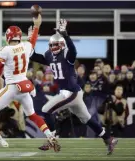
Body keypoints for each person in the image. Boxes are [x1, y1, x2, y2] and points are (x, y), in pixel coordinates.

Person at [29, 19, 118, 155]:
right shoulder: (48, 55)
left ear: (63, 45)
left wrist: (65, 34)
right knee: (86, 118)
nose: (53, 47)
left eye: (56, 44)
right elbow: (33, 55)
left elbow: (74, 51)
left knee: (46, 110)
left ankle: (52, 139)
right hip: (71, 93)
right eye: (51, 45)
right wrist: (32, 39)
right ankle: (108, 138)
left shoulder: (67, 54)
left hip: (70, 92)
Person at [0, 14, 61, 152]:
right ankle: (50, 136)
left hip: (12, 87)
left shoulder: (5, 50)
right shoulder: (26, 46)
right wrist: (37, 26)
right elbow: (32, 41)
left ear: (8, 37)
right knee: (33, 115)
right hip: (24, 86)